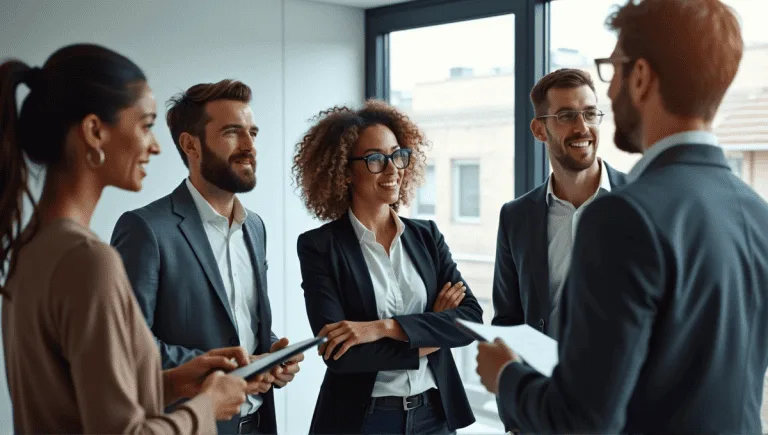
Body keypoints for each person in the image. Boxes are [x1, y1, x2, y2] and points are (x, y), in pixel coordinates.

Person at [475, 0, 768, 433]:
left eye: (613, 72)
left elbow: (584, 422)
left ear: (642, 76)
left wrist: (506, 377)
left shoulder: (622, 216)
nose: (610, 94)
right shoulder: (757, 212)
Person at [0, 44, 257, 433]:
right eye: (146, 124)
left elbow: (74, 400)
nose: (155, 145)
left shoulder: (31, 247)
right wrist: (207, 405)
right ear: (94, 131)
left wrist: (170, 383)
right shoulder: (87, 260)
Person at [111, 79, 301, 435]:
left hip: (259, 424)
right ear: (190, 144)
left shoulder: (255, 227)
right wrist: (232, 366)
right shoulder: (145, 229)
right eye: (232, 132)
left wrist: (272, 357)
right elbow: (129, 344)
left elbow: (239, 320)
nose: (249, 146)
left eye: (253, 133)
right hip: (191, 425)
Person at [293, 100, 483, 434]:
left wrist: (381, 328)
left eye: (398, 155)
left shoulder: (426, 236)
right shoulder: (320, 246)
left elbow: (470, 320)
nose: (393, 168)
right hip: (364, 421)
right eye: (376, 159)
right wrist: (433, 330)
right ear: (345, 171)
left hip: (433, 417)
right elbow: (341, 356)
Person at [492, 68, 627, 341]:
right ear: (539, 129)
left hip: (625, 382)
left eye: (590, 114)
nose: (582, 127)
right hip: (546, 382)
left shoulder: (641, 201)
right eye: (566, 116)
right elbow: (508, 321)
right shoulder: (515, 217)